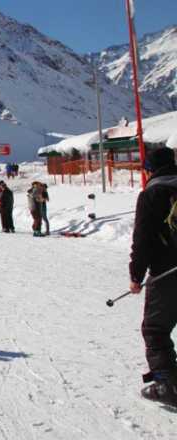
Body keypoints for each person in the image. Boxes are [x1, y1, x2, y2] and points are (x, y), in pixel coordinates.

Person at [128, 147, 177, 405]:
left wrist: (136, 275)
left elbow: (143, 239)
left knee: (155, 329)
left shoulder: (151, 194)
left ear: (150, 170)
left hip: (165, 274)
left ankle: (167, 384)